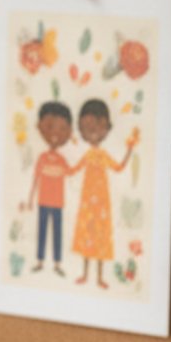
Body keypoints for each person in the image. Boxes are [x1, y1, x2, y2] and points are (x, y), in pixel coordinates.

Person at [70, 98, 138, 290]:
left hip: (101, 203)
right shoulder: (89, 155)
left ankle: (99, 277)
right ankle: (85, 274)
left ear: (106, 128)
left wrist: (129, 150)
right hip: (87, 203)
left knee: (100, 237)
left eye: (98, 126)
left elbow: (118, 167)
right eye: (87, 127)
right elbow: (75, 169)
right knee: (86, 235)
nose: (93, 132)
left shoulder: (103, 155)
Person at [22, 101, 74, 274]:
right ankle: (40, 261)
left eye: (62, 129)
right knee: (42, 231)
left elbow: (71, 172)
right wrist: (30, 200)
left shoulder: (61, 159)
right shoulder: (42, 157)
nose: (55, 134)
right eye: (50, 127)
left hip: (58, 202)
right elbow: (36, 179)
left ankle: (57, 263)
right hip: (43, 201)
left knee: (57, 233)